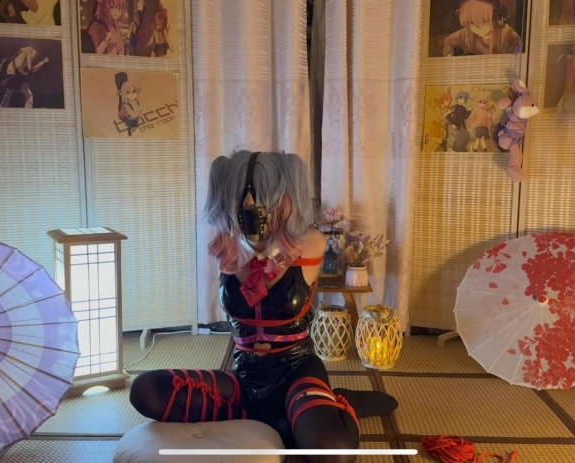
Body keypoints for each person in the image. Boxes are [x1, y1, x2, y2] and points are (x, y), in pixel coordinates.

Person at [130, 151, 398, 463]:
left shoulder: (309, 243)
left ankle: (334, 402)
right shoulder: (226, 246)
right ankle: (281, 420)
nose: (250, 208)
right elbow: (247, 246)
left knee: (331, 452)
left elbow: (272, 252)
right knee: (146, 390)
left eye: (261, 200)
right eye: (241, 200)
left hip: (297, 370)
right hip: (246, 376)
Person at [442, 0, 521, 56]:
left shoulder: (509, 38)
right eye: (471, 23)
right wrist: (449, 57)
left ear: (498, 18)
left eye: (483, 21)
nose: (477, 27)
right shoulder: (468, 34)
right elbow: (449, 41)